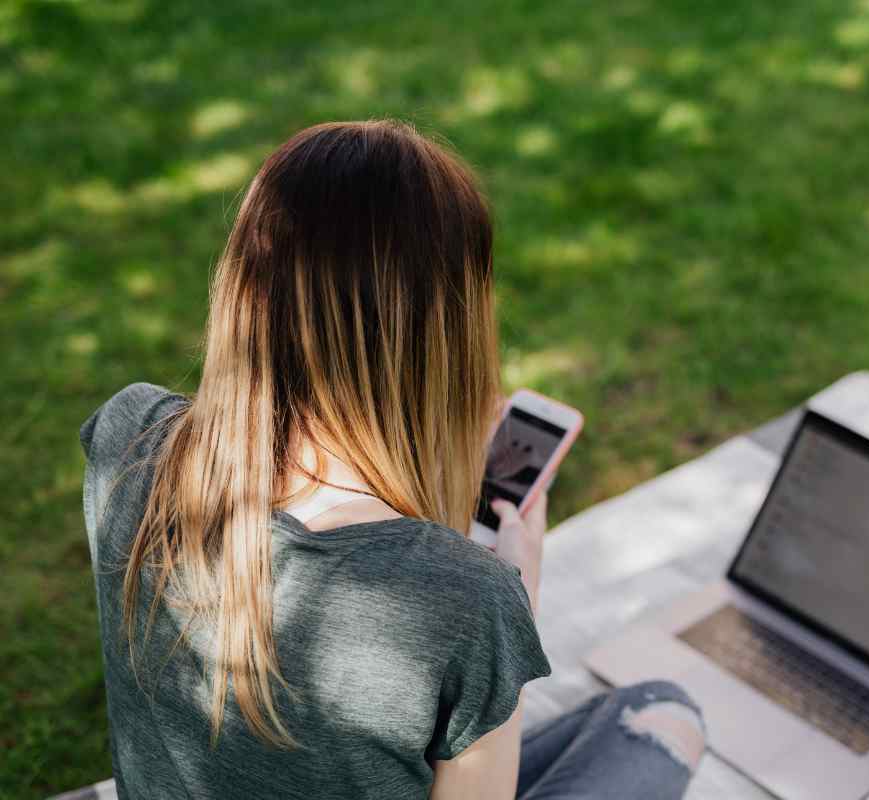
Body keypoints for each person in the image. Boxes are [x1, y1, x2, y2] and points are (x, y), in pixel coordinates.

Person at [79, 119, 705, 800]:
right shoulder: (466, 600)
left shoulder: (127, 435)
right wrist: (513, 598)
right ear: (445, 329)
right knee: (663, 716)